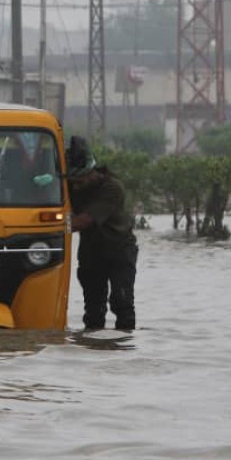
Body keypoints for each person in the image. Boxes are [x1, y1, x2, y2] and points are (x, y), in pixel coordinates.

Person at [65, 136, 138, 331]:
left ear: (92, 172)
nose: (76, 185)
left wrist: (47, 225)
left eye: (80, 180)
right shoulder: (71, 185)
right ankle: (93, 350)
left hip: (119, 252)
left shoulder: (112, 188)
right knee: (93, 309)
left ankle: (123, 346)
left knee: (122, 302)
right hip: (91, 253)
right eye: (73, 181)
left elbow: (85, 220)